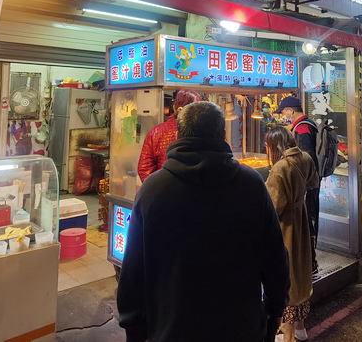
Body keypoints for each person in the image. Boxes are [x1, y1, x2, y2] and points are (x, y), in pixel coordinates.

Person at [117, 101, 290, 342]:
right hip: (241, 328)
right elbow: (275, 256)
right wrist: (275, 308)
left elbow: (133, 267)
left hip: (171, 329)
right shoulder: (252, 184)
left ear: (177, 135)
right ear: (223, 135)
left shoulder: (152, 189)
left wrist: (133, 326)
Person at [265, 127, 319, 342]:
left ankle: (288, 336)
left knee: (287, 275)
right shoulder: (305, 158)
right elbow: (314, 183)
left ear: (275, 145)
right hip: (301, 220)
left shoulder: (279, 168)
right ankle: (300, 328)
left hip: (285, 226)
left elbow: (274, 206)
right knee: (301, 269)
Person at [277, 95, 320, 278]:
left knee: (307, 225)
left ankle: (311, 265)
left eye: (284, 112)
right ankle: (309, 264)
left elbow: (304, 159)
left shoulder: (302, 128)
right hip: (310, 184)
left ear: (290, 111)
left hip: (307, 187)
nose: (283, 116)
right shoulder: (308, 124)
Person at [137, 88, 201, 182]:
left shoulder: (156, 132)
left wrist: (158, 190)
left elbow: (144, 169)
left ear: (174, 107)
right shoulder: (203, 130)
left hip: (164, 191)